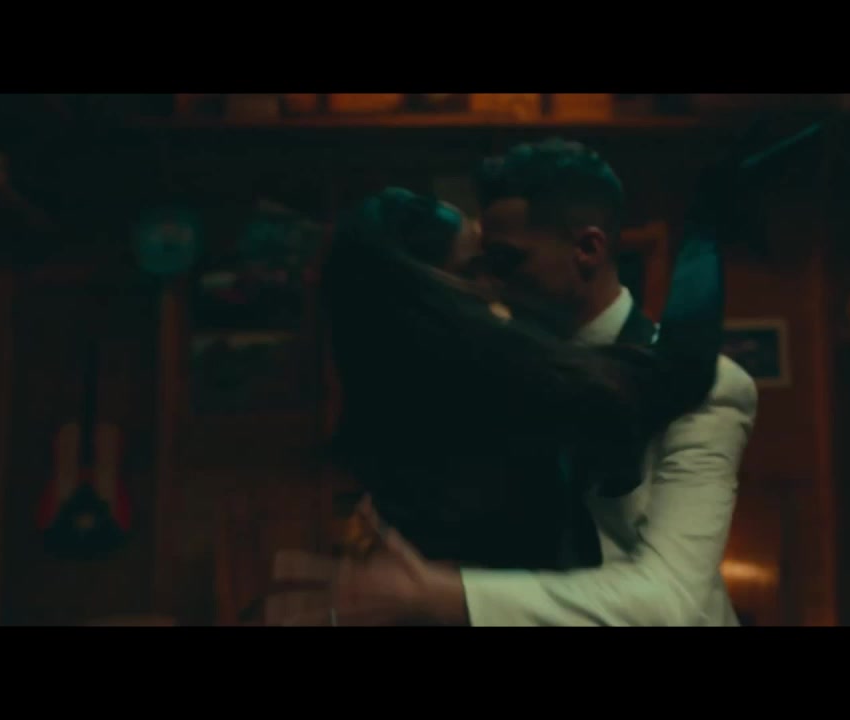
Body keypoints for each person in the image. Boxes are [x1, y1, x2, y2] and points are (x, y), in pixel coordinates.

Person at [311, 139, 758, 626]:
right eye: (478, 267)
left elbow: (672, 601)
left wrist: (446, 595)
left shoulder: (710, 388)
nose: (492, 286)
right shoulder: (472, 391)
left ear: (587, 249)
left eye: (502, 262)